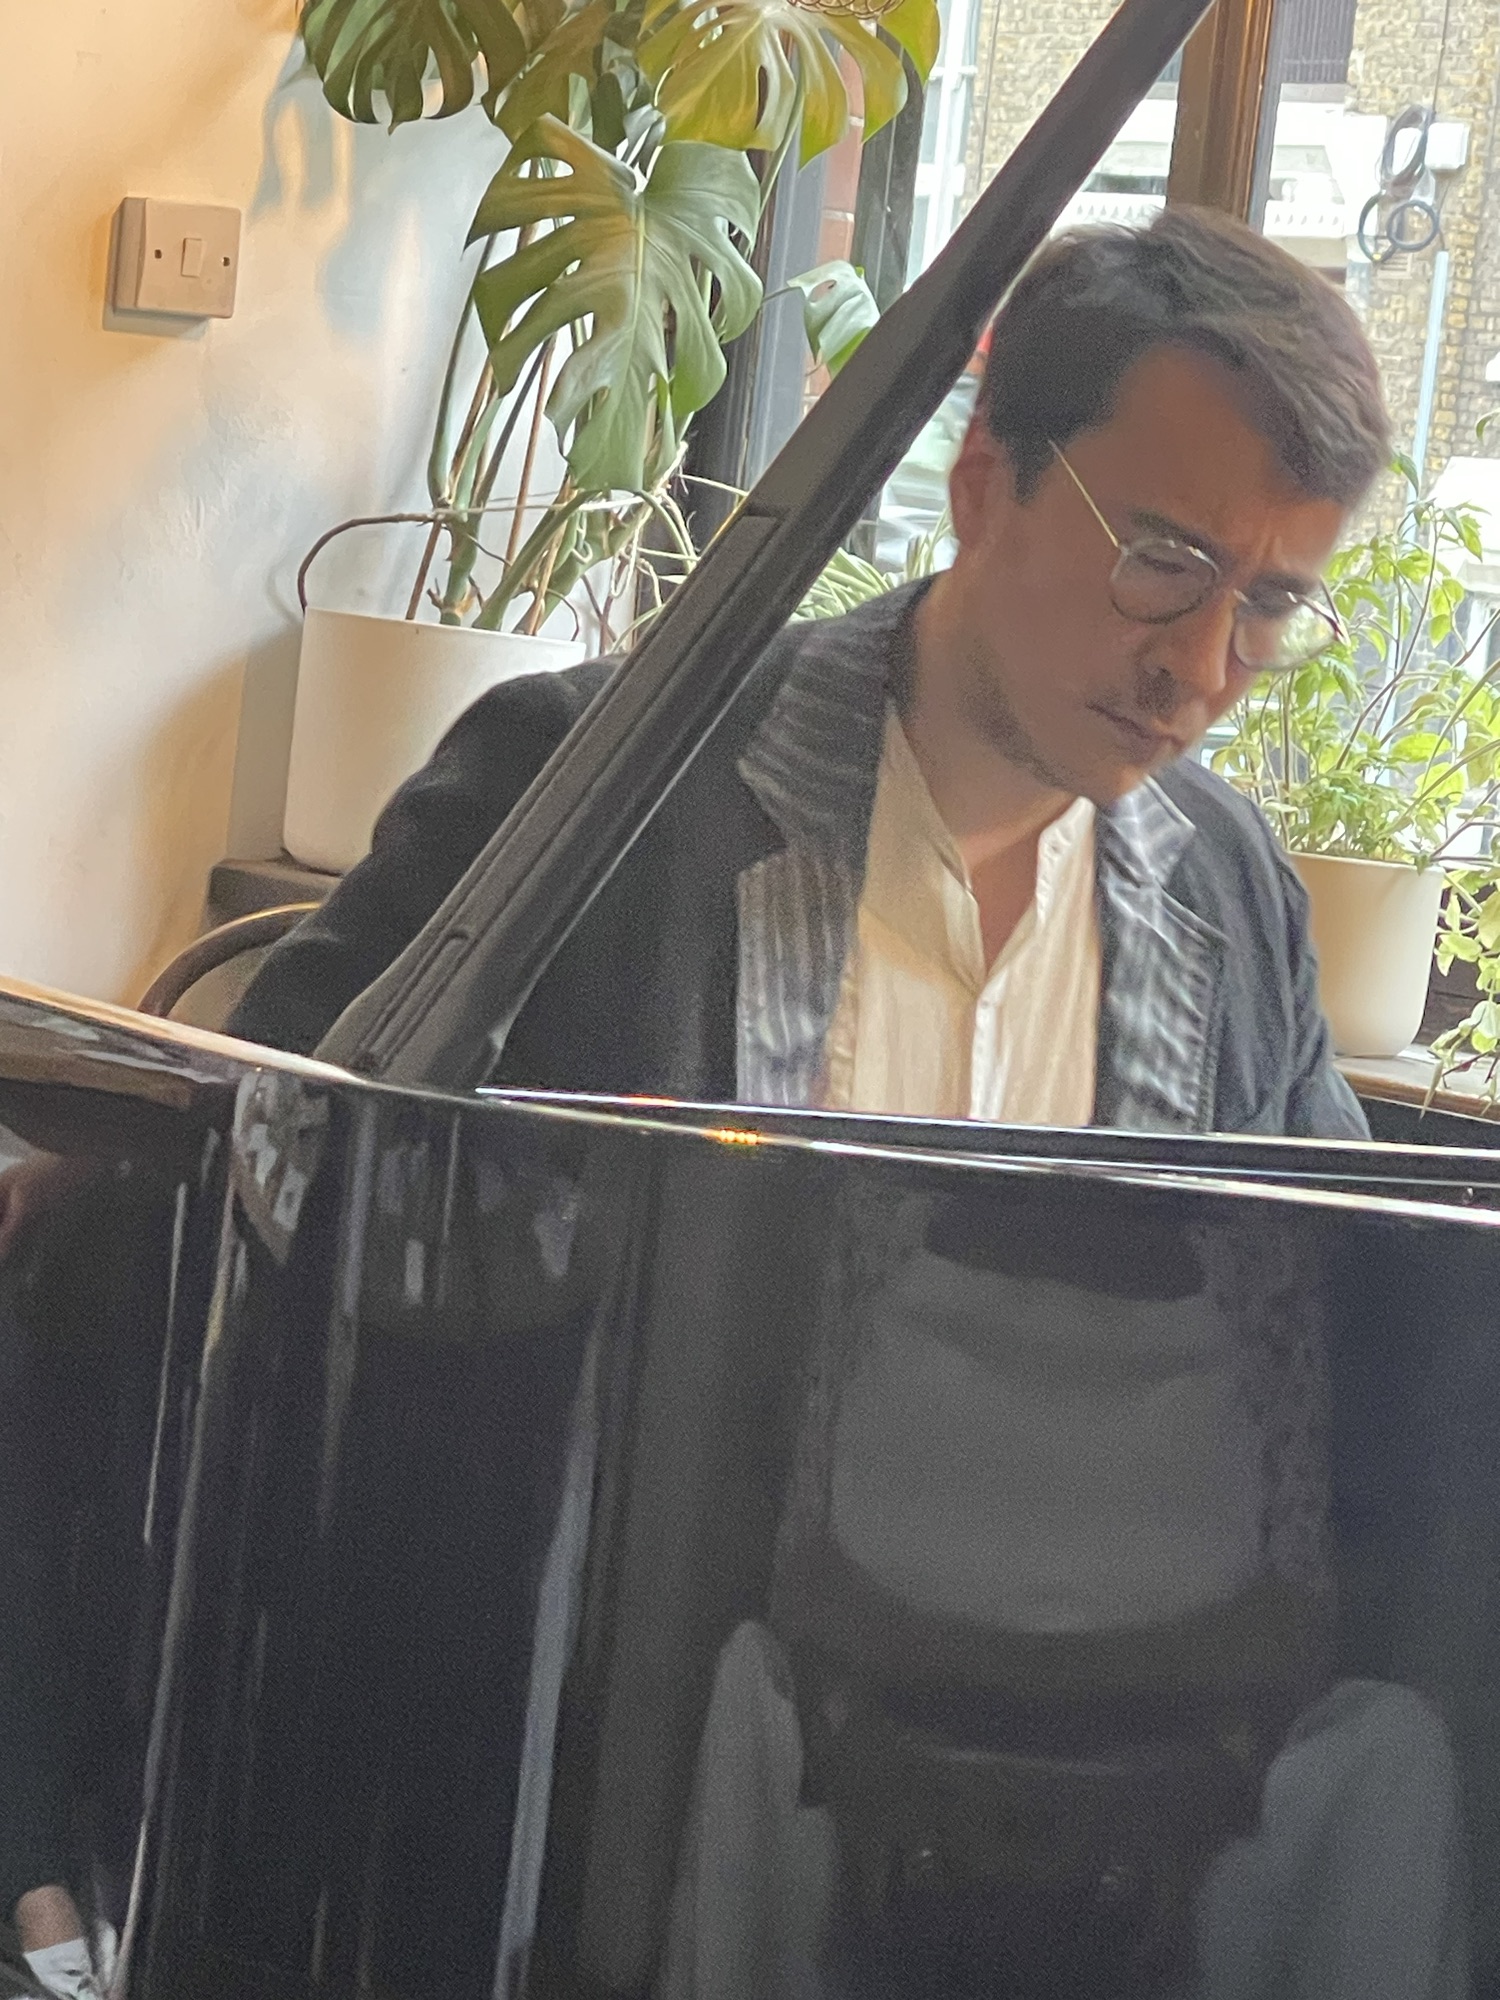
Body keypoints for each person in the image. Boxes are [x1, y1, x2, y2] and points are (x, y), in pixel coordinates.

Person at [227, 207, 1467, 1997]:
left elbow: (1328, 1349)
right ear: (982, 487)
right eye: (1165, 563)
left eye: (1269, 601)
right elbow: (268, 1194)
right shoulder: (594, 790)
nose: (1203, 668)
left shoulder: (1229, 891)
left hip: (1097, 1801)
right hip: (623, 1780)